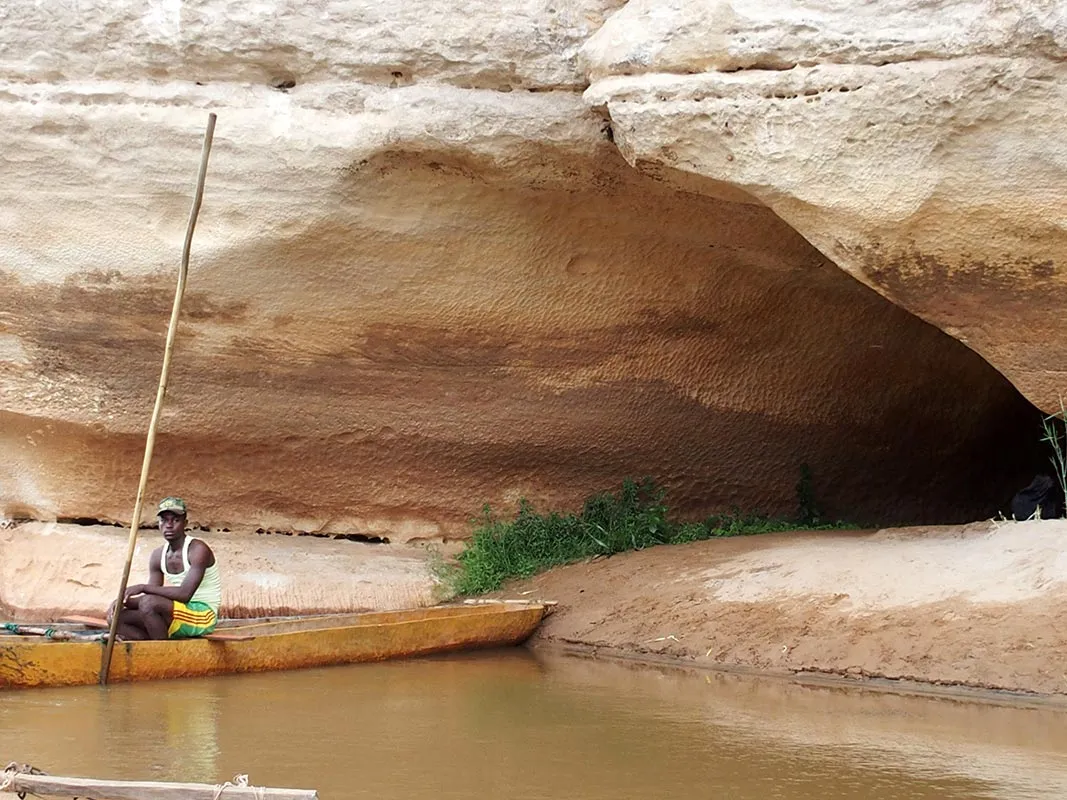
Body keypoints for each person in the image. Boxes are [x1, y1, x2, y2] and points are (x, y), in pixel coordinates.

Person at [108, 497, 222, 640]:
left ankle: (161, 649)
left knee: (149, 603)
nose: (169, 525)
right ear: (159, 524)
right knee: (116, 618)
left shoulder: (198, 549)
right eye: (164, 520)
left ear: (185, 523)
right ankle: (151, 647)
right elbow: (150, 596)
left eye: (175, 520)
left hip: (203, 615)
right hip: (179, 611)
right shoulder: (158, 555)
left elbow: (184, 594)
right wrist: (123, 601)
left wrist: (142, 587)